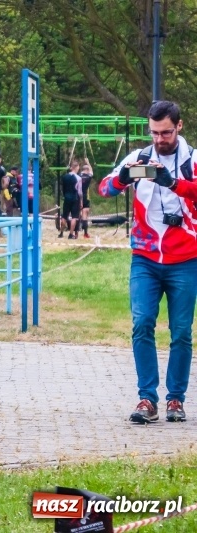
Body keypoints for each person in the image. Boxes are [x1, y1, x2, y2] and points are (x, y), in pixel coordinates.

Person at [98, 100, 197, 424]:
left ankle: (175, 400)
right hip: (145, 257)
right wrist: (124, 178)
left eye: (165, 132)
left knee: (181, 331)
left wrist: (174, 183)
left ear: (179, 127)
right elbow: (104, 189)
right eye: (154, 132)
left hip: (185, 257)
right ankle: (147, 399)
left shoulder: (193, 159)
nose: (159, 139)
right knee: (142, 323)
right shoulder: (139, 157)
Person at [59, 160, 82, 239]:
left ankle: (61, 233)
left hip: (67, 197)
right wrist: (81, 201)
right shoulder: (78, 178)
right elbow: (79, 191)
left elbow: (63, 188)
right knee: (74, 217)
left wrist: (65, 195)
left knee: (64, 216)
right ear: (76, 167)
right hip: (75, 198)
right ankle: (71, 234)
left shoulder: (65, 177)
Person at [79, 159, 94, 238]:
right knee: (85, 213)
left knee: (78, 214)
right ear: (87, 170)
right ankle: (85, 233)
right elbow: (91, 171)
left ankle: (77, 231)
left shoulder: (78, 176)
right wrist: (88, 162)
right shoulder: (88, 176)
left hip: (78, 196)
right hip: (85, 196)